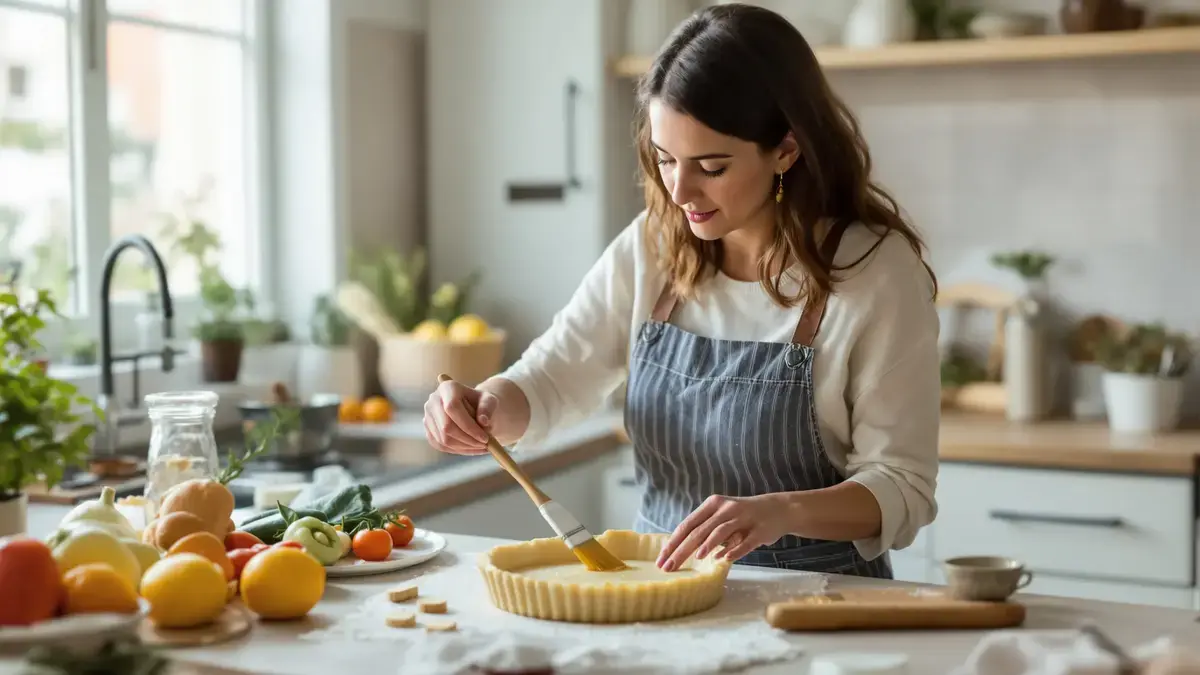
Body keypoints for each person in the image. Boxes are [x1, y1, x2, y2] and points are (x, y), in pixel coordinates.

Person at [423, 3, 940, 579]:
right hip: (664, 594)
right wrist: (484, 406)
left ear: (786, 150)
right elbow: (549, 382)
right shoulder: (651, 248)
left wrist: (780, 511)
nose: (680, 190)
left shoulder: (873, 272)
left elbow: (902, 485)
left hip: (818, 603)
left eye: (712, 167)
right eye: (666, 159)